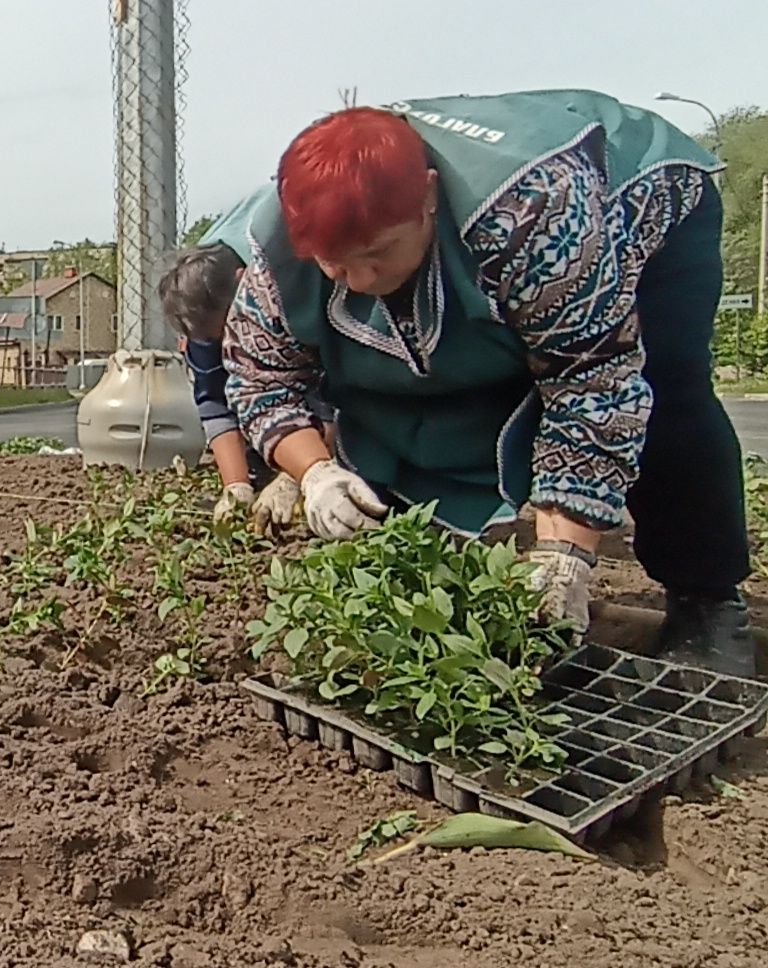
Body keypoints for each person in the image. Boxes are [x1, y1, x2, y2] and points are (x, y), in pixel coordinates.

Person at [221, 89, 750, 676]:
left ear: (426, 195)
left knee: (664, 390)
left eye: (378, 254)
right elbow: (261, 378)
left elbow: (591, 385)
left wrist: (564, 559)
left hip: (639, 205)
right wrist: (316, 473)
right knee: (389, 379)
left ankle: (706, 601)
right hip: (503, 255)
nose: (362, 279)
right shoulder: (278, 249)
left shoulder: (533, 210)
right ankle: (441, 569)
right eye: (336, 265)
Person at [161, 186, 332, 533]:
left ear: (245, 286)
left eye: (227, 331)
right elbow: (213, 397)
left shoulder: (292, 282)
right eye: (213, 340)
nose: (225, 345)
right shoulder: (204, 306)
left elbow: (336, 389)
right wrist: (235, 486)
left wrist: (301, 474)